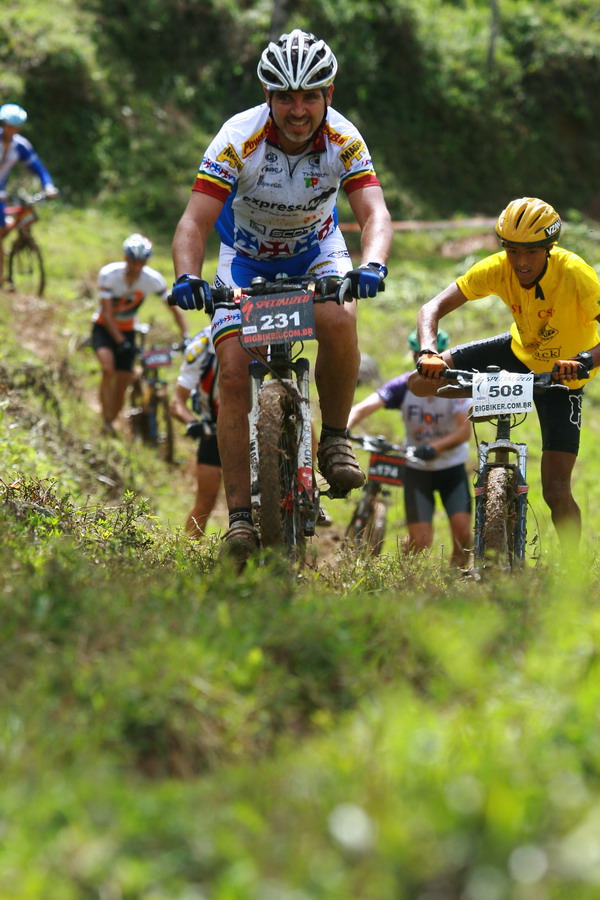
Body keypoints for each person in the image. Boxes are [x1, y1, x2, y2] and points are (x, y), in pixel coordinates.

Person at [170, 29, 393, 563]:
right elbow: (193, 223)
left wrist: (373, 264)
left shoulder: (344, 139)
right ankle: (241, 517)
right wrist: (186, 276)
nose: (298, 110)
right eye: (285, 97)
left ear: (328, 95)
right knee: (229, 368)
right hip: (244, 259)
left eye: (309, 96)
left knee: (340, 318)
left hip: (318, 251)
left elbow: (374, 214)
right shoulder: (236, 138)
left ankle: (334, 438)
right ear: (267, 97)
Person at [408, 196, 600, 552]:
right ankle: (485, 389)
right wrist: (428, 351)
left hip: (564, 375)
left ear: (549, 248)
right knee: (419, 383)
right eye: (513, 251)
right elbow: (431, 308)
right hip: (517, 354)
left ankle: (576, 573)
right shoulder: (498, 268)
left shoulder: (575, 273)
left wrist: (585, 360)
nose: (521, 262)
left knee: (556, 490)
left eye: (531, 252)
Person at [348, 330, 472, 566]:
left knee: (463, 535)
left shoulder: (456, 386)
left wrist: (434, 447)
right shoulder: (404, 385)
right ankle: (406, 575)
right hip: (417, 471)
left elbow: (464, 431)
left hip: (451, 467)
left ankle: (457, 581)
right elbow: (362, 408)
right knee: (420, 541)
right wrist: (342, 430)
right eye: (418, 355)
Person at [91, 233, 189, 435]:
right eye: (132, 261)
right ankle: (104, 413)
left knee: (123, 380)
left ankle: (111, 418)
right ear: (125, 258)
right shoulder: (109, 274)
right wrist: (119, 341)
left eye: (141, 263)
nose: (136, 267)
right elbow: (107, 315)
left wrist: (186, 334)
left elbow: (173, 309)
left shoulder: (152, 280)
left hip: (128, 331)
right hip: (104, 328)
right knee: (108, 368)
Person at [169, 326, 221, 538]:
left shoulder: (267, 324)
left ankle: (308, 487)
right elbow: (176, 403)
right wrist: (194, 423)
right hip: (215, 429)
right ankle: (188, 556)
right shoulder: (203, 345)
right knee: (205, 502)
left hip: (259, 425)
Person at [0, 103, 58, 288]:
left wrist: (48, 186)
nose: (11, 130)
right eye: (8, 125)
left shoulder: (20, 146)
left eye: (15, 127)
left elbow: (38, 168)